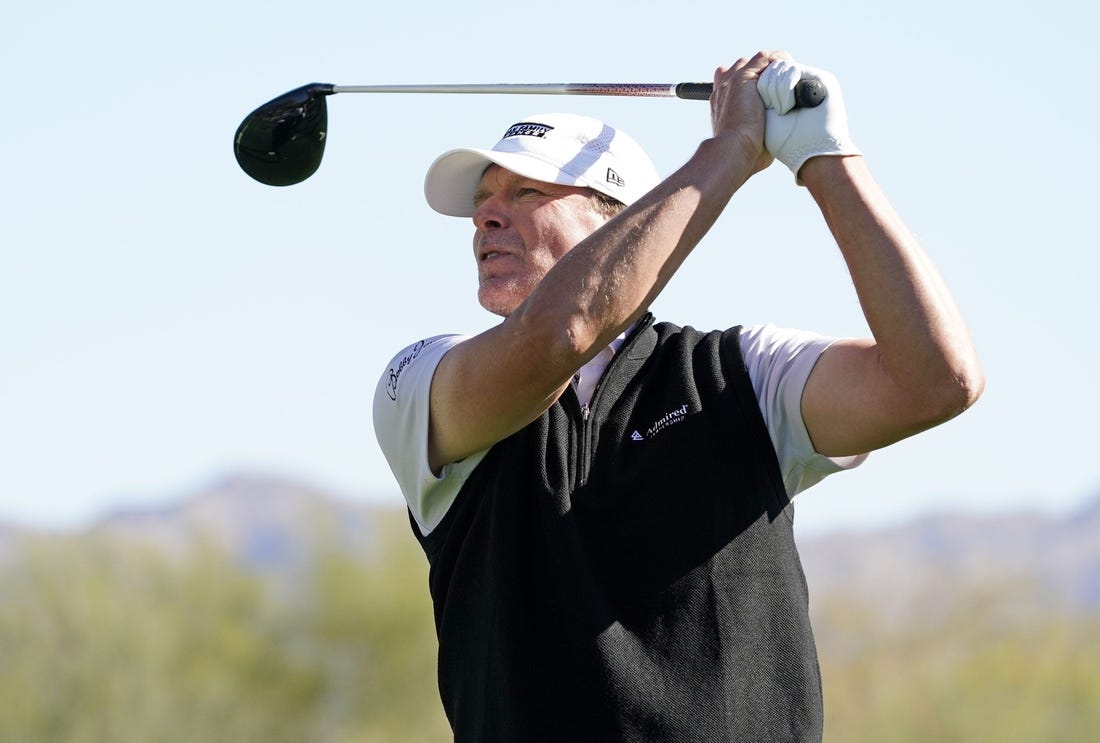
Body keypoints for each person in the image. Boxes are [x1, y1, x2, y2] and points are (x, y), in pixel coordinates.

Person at [372, 51, 983, 742]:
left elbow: (937, 379)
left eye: (526, 194)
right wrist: (730, 150)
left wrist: (825, 156)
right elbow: (561, 335)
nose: (485, 219)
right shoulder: (422, 383)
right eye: (482, 204)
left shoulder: (742, 374)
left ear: (622, 221)